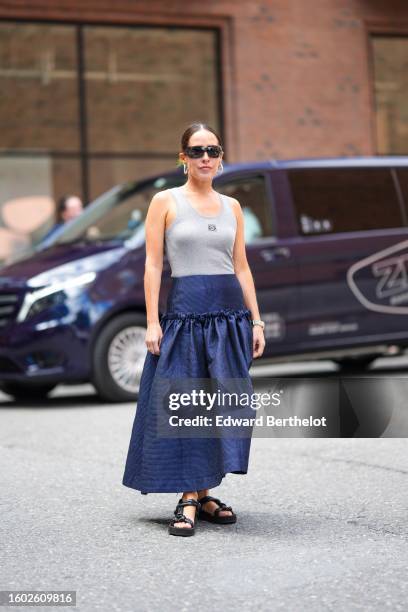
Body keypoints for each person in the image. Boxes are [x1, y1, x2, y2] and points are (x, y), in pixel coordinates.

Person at [122, 122, 266, 536]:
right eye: (198, 150)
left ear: (221, 159)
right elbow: (152, 265)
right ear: (182, 157)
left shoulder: (233, 207)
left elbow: (241, 266)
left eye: (214, 151)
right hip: (184, 316)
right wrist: (152, 321)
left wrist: (255, 320)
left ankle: (202, 494)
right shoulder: (164, 202)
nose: (207, 157)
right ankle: (188, 496)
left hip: (228, 319)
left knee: (221, 407)